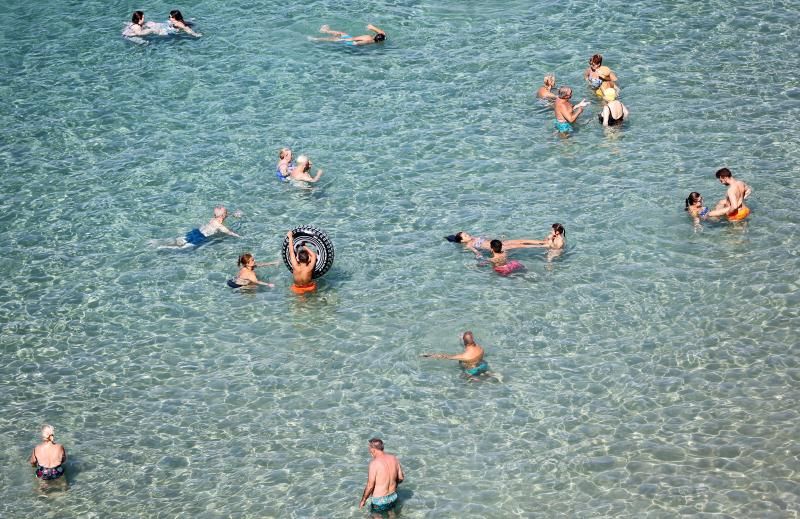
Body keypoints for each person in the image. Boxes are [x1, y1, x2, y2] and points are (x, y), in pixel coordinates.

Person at [359, 438, 404, 514]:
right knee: (392, 515)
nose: (369, 451)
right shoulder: (394, 458)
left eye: (369, 448)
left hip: (379, 501)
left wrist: (363, 500)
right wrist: (394, 485)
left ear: (373, 449)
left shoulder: (374, 463)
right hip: (393, 496)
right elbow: (401, 478)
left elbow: (370, 486)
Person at [166, 206, 242, 248]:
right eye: (226, 212)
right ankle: (164, 247)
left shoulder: (213, 219)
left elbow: (222, 216)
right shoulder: (219, 225)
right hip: (201, 237)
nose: (227, 213)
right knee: (182, 247)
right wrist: (239, 236)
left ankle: (163, 243)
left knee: (181, 240)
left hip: (196, 231)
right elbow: (229, 232)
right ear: (223, 215)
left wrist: (234, 214)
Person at [421, 331, 490, 378]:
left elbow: (445, 357)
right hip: (483, 366)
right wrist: (462, 339)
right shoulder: (479, 347)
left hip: (472, 372)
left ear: (464, 342)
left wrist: (428, 355)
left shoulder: (464, 356)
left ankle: (473, 379)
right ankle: (487, 373)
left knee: (461, 373)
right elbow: (469, 343)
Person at [446, 232, 549, 256]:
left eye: (467, 234)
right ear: (462, 241)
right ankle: (546, 246)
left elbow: (486, 237)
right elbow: (476, 252)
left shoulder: (474, 238)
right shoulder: (469, 245)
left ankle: (543, 241)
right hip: (497, 247)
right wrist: (479, 256)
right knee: (520, 245)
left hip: (500, 243)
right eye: (465, 236)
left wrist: (499, 237)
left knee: (521, 240)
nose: (468, 235)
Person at [316, 24, 386, 46]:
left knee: (338, 36)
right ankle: (326, 31)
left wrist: (342, 40)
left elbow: (354, 40)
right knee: (341, 34)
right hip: (355, 44)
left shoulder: (367, 37)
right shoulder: (377, 40)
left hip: (351, 43)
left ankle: (317, 39)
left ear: (375, 36)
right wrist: (372, 27)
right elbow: (382, 33)